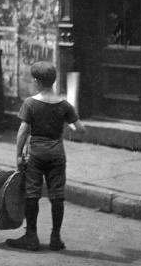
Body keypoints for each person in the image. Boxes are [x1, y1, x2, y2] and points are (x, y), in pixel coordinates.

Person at [7, 61, 84, 252]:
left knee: (32, 194)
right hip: (57, 154)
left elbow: (23, 131)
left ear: (36, 81)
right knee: (57, 196)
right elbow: (80, 129)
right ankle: (55, 238)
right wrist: (70, 122)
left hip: (36, 154)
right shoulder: (64, 104)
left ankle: (31, 237)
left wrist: (18, 155)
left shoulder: (30, 103)